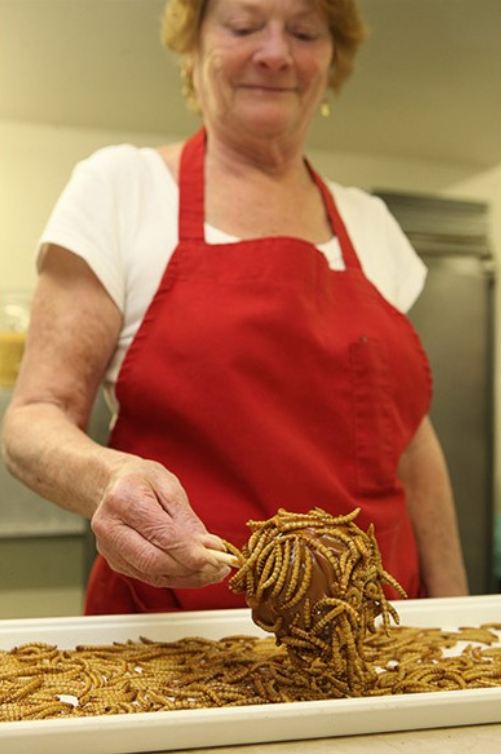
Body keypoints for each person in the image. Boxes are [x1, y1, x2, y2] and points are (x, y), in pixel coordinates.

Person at [1, 0, 468, 615]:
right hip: (174, 636)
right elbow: (35, 417)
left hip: (371, 633)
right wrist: (106, 479)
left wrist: (459, 615)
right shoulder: (121, 189)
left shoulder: (372, 224)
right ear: (192, 48)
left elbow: (412, 448)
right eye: (244, 26)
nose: (274, 53)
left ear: (331, 62)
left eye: (304, 32)